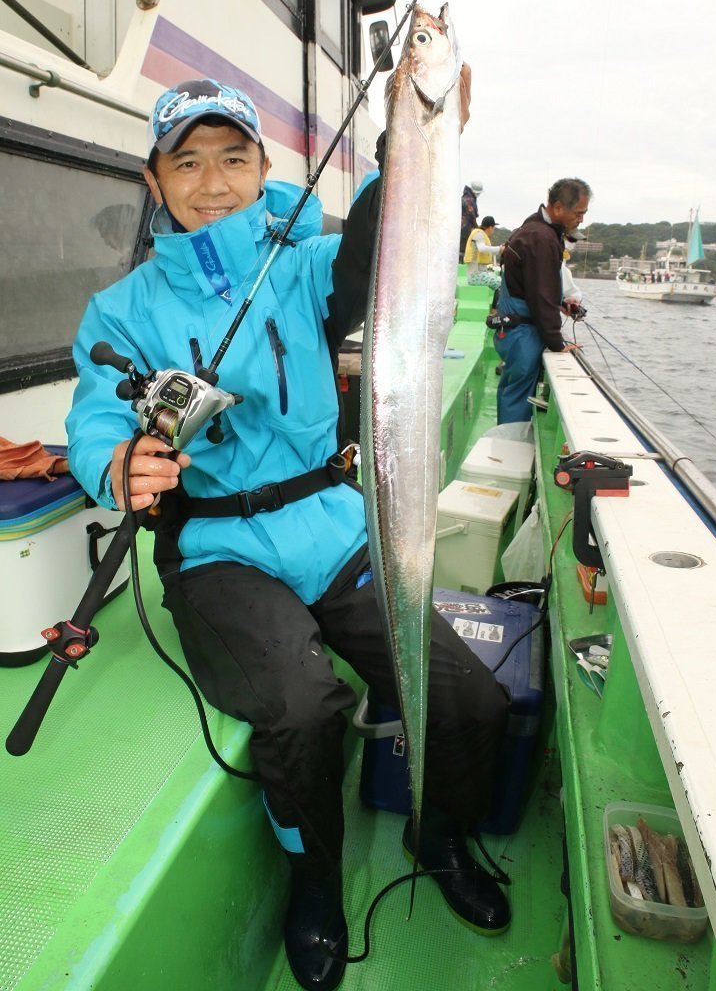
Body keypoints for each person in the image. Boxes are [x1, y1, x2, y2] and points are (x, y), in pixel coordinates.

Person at [65, 79, 510, 991]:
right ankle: (316, 884)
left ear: (266, 169)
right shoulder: (120, 313)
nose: (213, 180)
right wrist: (120, 467)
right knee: (303, 706)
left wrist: (411, 144)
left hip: (334, 526)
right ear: (155, 180)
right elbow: (96, 421)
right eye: (186, 161)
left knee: (471, 697)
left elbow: (380, 257)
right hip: (219, 550)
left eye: (233, 157)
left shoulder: (307, 262)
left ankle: (441, 836)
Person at [494, 178, 592, 424]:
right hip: (523, 333)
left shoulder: (536, 228)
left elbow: (535, 286)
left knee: (511, 390)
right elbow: (540, 296)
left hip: (514, 328)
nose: (581, 220)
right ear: (558, 208)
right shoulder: (541, 238)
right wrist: (557, 342)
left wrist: (560, 303)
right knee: (517, 396)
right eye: (579, 214)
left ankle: (507, 444)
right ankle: (510, 448)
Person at [464, 215, 505, 289]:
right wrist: (499, 249)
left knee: (498, 279)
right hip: (475, 276)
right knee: (501, 283)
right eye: (493, 228)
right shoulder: (478, 234)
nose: (493, 230)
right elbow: (482, 249)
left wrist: (499, 249)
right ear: (490, 227)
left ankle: (496, 300)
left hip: (479, 274)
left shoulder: (480, 234)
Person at [458, 180, 481, 258]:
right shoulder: (469, 199)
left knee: (463, 247)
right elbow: (471, 214)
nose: (478, 195)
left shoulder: (468, 197)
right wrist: (477, 227)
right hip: (464, 227)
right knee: (463, 248)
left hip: (464, 226)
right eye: (478, 193)